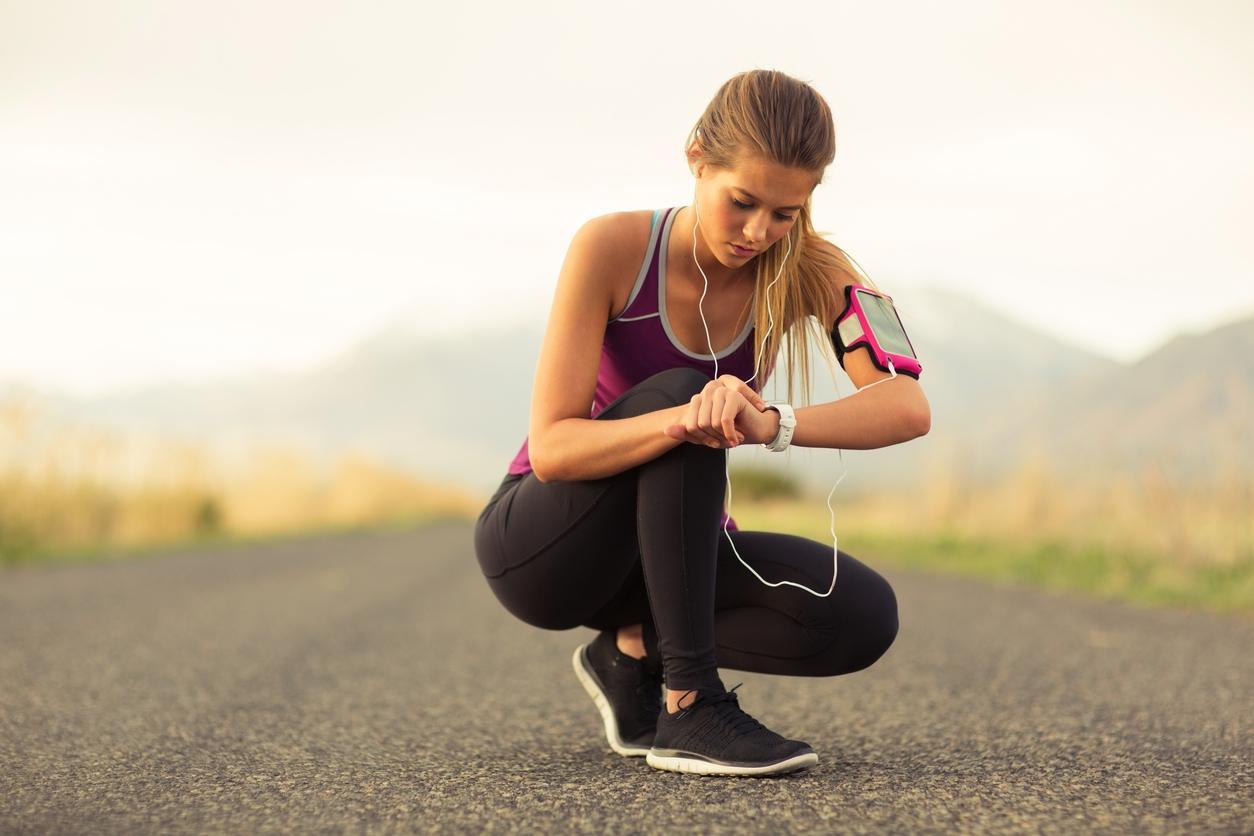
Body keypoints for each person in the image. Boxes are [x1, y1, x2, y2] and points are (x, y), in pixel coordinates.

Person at [473, 69, 930, 777]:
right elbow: (556, 448)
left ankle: (630, 657)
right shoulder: (610, 248)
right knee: (690, 397)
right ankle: (689, 706)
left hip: (675, 554)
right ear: (697, 158)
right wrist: (688, 418)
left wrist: (769, 424)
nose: (759, 233)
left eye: (785, 213)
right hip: (547, 546)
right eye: (742, 202)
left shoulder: (815, 268)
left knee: (862, 614)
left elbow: (907, 406)